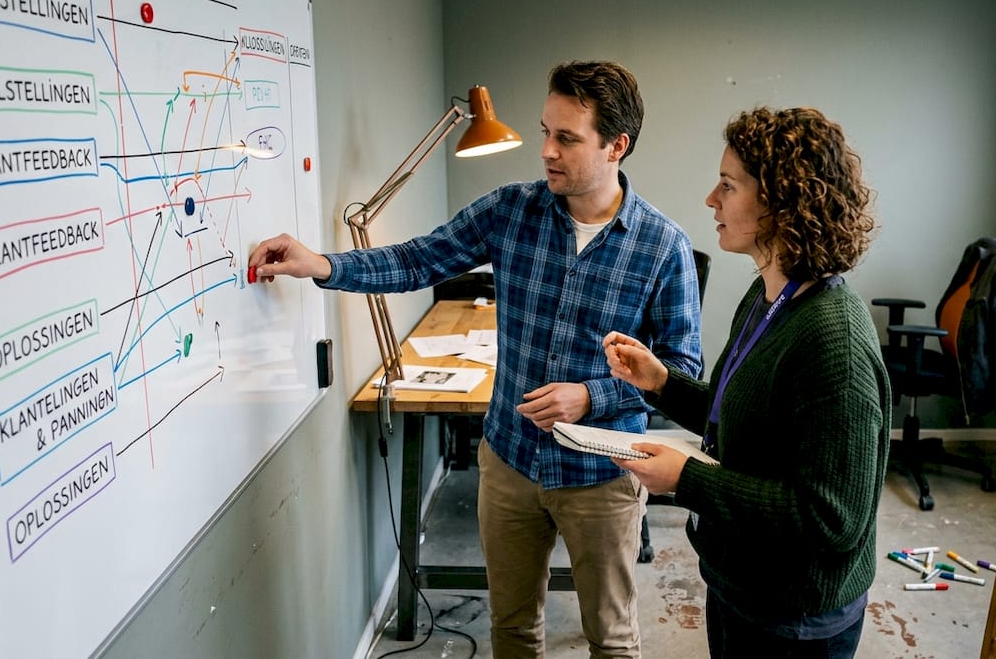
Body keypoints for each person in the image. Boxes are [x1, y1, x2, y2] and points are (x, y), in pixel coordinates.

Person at [249, 61, 703, 657]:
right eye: (546, 130)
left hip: (602, 478)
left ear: (617, 146)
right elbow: (418, 260)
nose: (546, 151)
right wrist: (323, 265)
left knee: (612, 641)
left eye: (567, 138)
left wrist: (591, 396)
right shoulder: (510, 211)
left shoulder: (661, 245)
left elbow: (680, 370)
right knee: (512, 631)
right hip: (509, 463)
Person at [602, 106, 891, 658]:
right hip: (741, 584)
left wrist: (686, 479)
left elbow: (832, 519)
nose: (711, 198)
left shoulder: (835, 343)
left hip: (795, 617)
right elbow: (738, 415)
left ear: (782, 203)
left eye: (728, 185)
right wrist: (662, 382)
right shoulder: (767, 297)